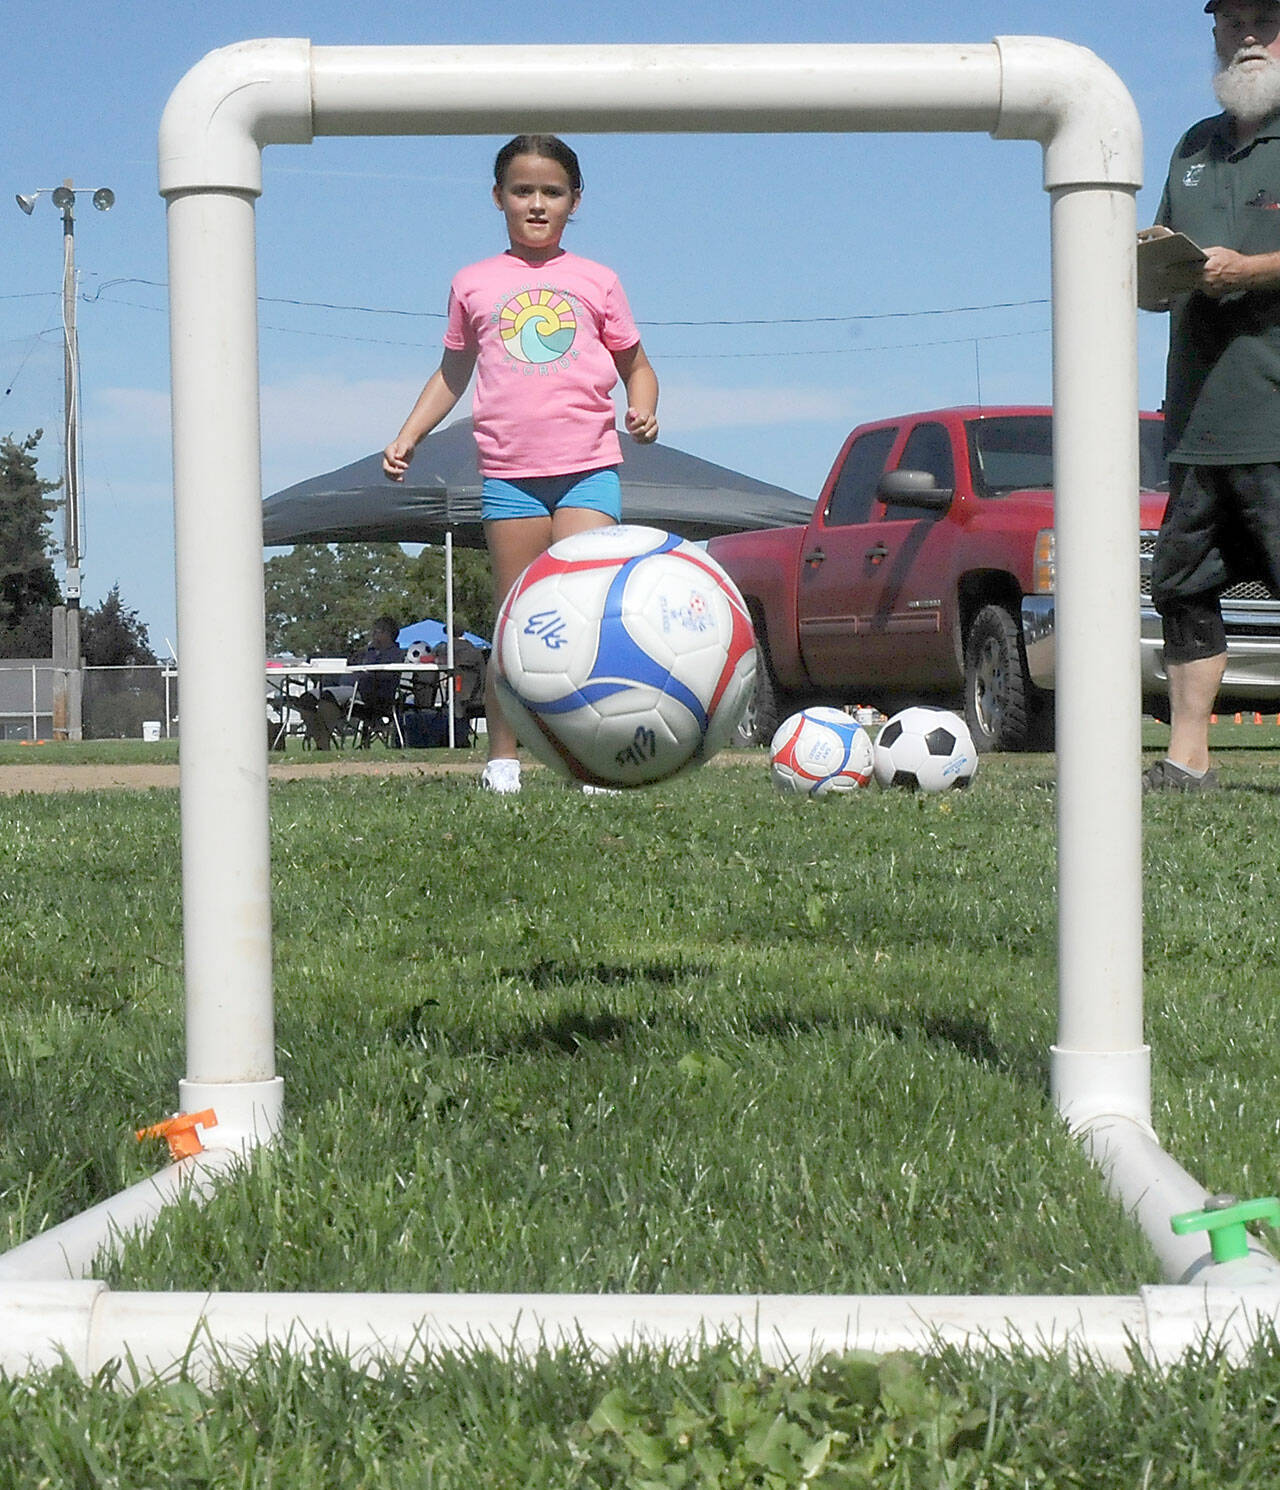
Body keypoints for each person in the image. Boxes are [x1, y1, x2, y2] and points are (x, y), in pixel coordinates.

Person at [383, 134, 659, 793]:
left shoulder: (598, 281)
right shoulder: (474, 283)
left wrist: (644, 407)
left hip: (587, 468)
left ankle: (592, 758)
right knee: (519, 617)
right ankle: (502, 761)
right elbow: (453, 371)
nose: (537, 204)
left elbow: (636, 366)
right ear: (499, 197)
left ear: (575, 201)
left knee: (585, 611)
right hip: (509, 476)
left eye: (552, 192)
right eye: (523, 191)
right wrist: (409, 433)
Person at [1145, 0, 1280, 791]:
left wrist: (1247, 271)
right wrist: (1153, 279)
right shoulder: (1192, 146)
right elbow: (1166, 256)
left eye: (1265, 20)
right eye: (1233, 24)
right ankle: (1187, 760)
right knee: (1182, 588)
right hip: (1198, 422)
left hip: (1274, 417)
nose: (1249, 38)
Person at [294, 615, 404, 749]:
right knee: (306, 700)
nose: (373, 635)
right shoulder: (367, 651)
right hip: (345, 687)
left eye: (376, 632)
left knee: (328, 698)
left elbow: (382, 677)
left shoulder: (395, 654)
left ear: (387, 634)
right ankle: (321, 740)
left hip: (367, 694)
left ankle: (323, 745)